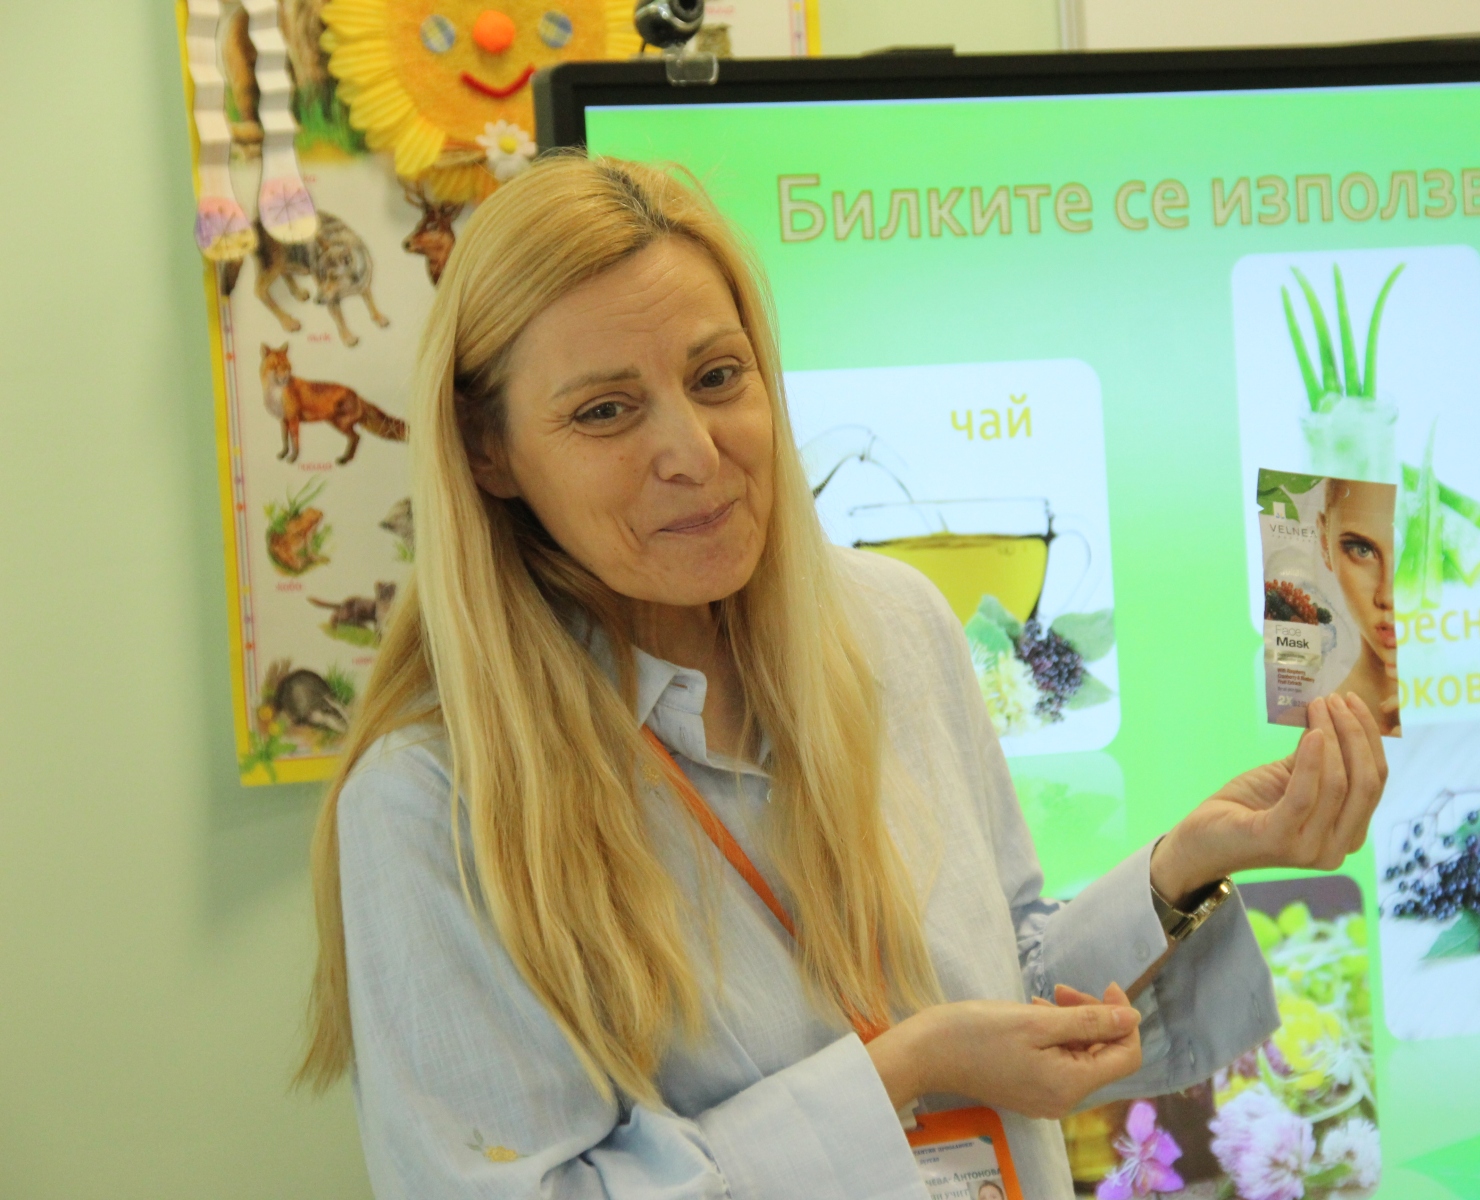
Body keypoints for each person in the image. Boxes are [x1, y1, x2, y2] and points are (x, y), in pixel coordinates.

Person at [297, 155, 1388, 1200]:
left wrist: (1185, 867)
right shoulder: (430, 802)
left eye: (717, 378)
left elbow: (1002, 980)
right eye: (605, 411)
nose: (695, 452)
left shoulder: (893, 623)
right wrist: (902, 1070)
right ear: (488, 453)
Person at [1318, 478, 1400, 734]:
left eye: (1412, 553)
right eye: (1362, 550)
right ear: (1324, 543)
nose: (1388, 596)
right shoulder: (1315, 725)